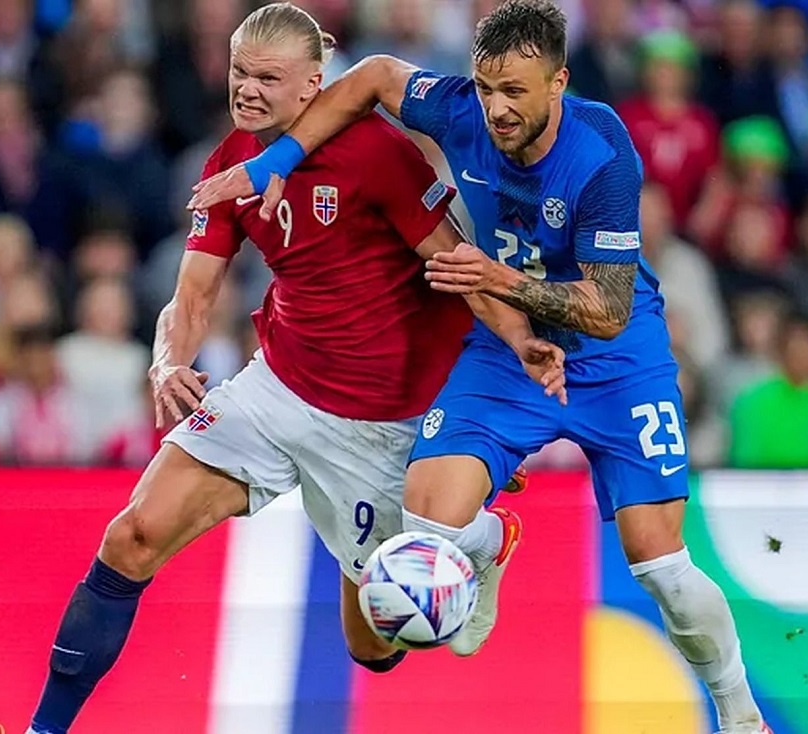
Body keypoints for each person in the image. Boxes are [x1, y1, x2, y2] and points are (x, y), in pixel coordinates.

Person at [189, 1, 772, 731]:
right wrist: (273, 160)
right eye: (487, 87)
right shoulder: (459, 108)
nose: (496, 109)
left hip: (617, 362)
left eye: (515, 92)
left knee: (662, 568)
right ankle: (489, 546)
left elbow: (606, 310)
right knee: (424, 517)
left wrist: (495, 279)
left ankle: (740, 715)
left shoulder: (601, 153)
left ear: (559, 82)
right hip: (507, 351)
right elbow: (372, 75)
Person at [25, 5, 564, 734]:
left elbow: (456, 264)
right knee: (132, 537)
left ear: (314, 83)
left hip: (385, 423)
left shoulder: (375, 153)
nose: (246, 89)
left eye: (267, 77)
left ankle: (482, 541)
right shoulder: (230, 162)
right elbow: (194, 294)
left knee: (375, 646)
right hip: (278, 390)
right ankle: (43, 728)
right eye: (238, 72)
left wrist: (520, 346)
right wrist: (167, 360)